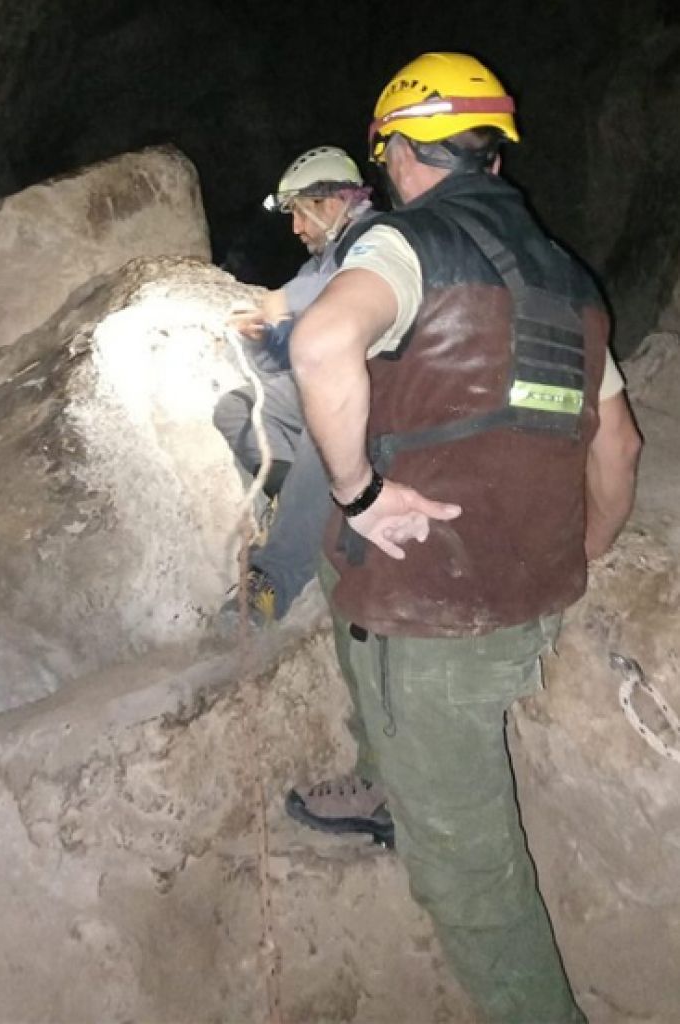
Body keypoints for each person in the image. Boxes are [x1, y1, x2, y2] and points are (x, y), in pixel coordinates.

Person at [288, 52, 641, 1023]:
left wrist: (360, 492)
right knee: (331, 555)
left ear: (399, 152)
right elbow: (615, 443)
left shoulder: (402, 246)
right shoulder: (570, 282)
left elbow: (320, 346)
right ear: (493, 153)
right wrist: (587, 548)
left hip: (435, 617)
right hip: (529, 589)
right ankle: (384, 783)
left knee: (473, 880)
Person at [215, 146, 378, 624]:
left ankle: (274, 580)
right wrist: (262, 340)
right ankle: (299, 503)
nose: (296, 228)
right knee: (238, 408)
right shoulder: (317, 266)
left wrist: (282, 300)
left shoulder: (377, 237)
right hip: (327, 389)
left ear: (331, 204)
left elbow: (358, 282)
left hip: (380, 395)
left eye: (301, 214)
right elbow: (277, 367)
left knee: (323, 430)